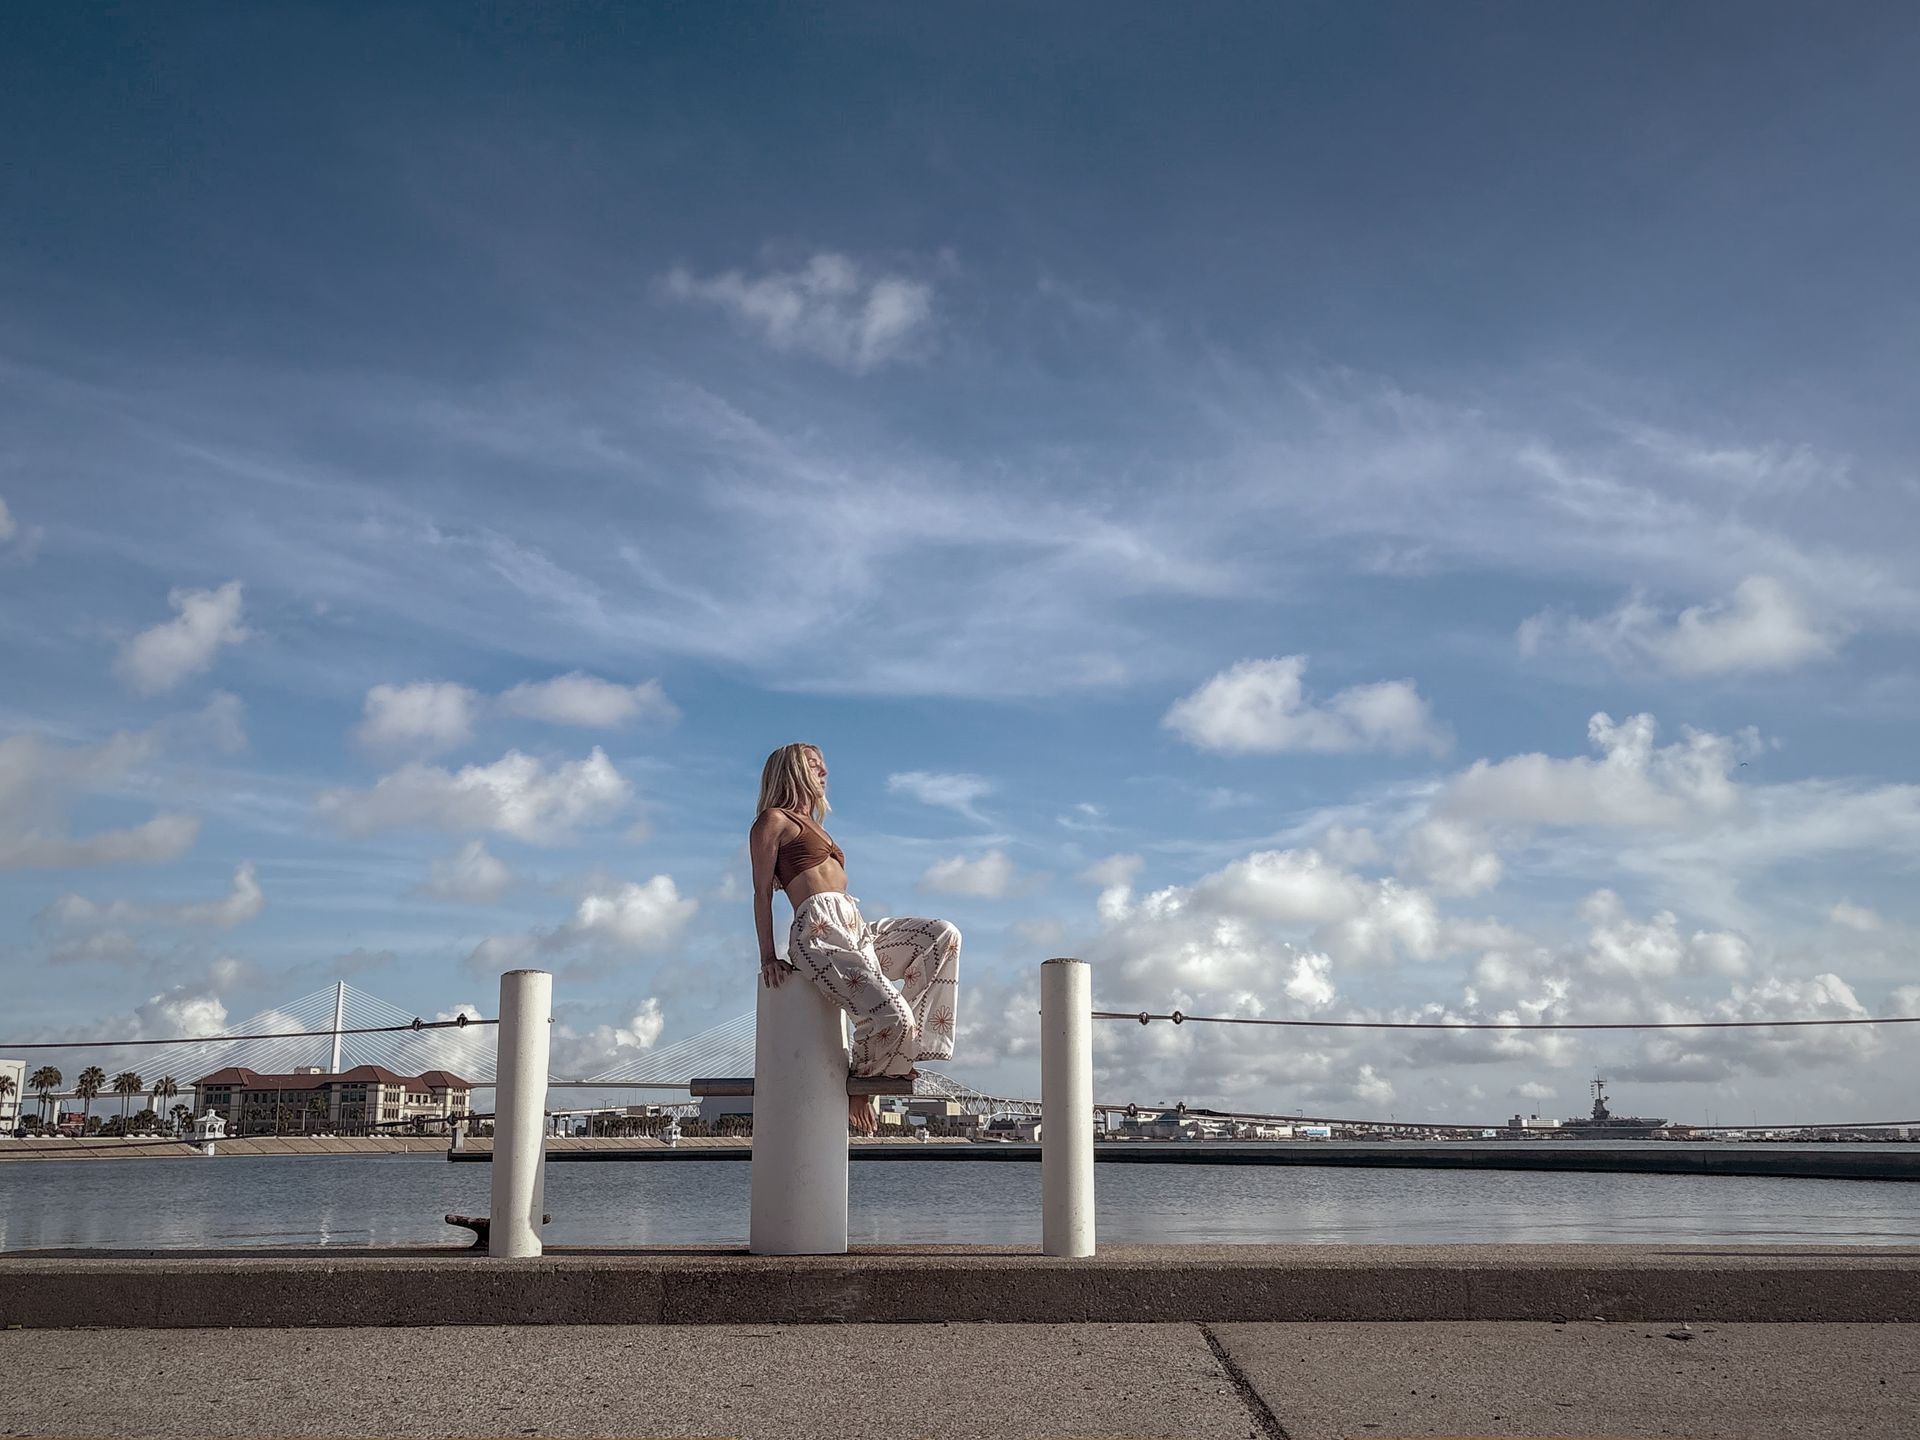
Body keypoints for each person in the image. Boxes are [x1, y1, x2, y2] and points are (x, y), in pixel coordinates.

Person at [750, 743, 961, 1136]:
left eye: (824, 765)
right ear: (792, 770)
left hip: (855, 927)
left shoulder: (817, 825)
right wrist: (768, 956)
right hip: (819, 930)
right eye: (814, 765)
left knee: (940, 935)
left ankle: (904, 1051)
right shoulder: (773, 820)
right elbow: (762, 892)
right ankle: (862, 1083)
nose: (824, 772)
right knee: (892, 1014)